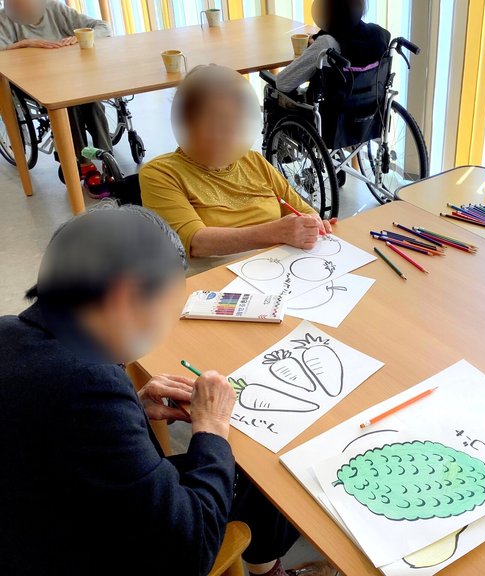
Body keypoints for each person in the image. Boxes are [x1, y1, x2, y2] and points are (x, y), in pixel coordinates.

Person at [0, 204, 331, 576]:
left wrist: (132, 408)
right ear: (124, 296)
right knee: (248, 471)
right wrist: (211, 428)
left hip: (33, 504)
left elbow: (50, 422)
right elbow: (190, 551)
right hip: (69, 547)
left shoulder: (9, 331)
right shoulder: (91, 383)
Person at [140, 64, 335, 259]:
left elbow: (302, 209)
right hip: (218, 275)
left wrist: (312, 223)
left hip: (278, 265)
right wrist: (276, 232)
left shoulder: (254, 161)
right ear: (187, 122)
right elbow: (195, 243)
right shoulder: (160, 173)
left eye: (233, 121)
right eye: (212, 122)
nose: (225, 132)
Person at [0, 0, 114, 195]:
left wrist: (78, 38)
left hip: (70, 75)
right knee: (68, 105)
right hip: (32, 83)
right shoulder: (4, 18)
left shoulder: (54, 8)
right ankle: (83, 163)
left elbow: (103, 27)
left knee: (92, 101)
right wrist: (23, 44)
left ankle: (106, 156)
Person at [276, 0, 390, 93]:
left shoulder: (326, 44)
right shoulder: (379, 34)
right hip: (369, 110)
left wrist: (315, 48)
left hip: (330, 111)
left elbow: (283, 83)